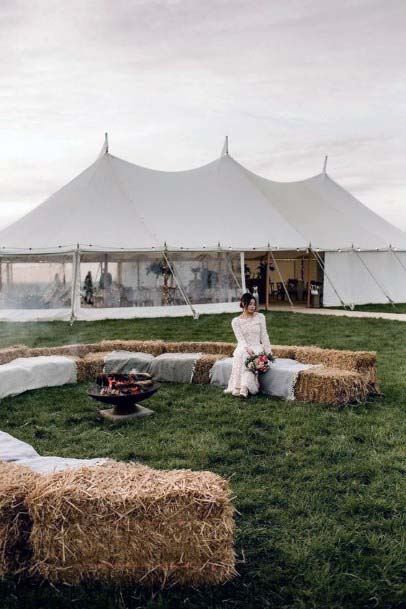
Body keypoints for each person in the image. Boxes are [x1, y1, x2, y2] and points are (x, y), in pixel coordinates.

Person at [224, 292, 273, 398]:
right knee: (243, 353)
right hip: (243, 346)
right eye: (250, 304)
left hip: (257, 346)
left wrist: (268, 353)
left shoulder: (260, 317)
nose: (253, 306)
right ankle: (239, 387)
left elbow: (264, 335)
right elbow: (240, 339)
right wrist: (247, 348)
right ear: (243, 303)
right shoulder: (236, 321)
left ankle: (244, 387)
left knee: (250, 356)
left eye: (254, 304)